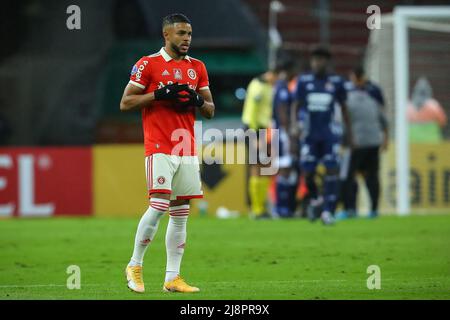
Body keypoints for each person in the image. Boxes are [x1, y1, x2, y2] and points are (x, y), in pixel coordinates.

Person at [119, 13, 215, 294]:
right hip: (159, 144)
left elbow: (210, 110)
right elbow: (126, 102)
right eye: (181, 33)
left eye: (189, 34)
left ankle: (172, 277)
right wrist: (159, 95)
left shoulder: (197, 67)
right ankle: (134, 265)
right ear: (167, 35)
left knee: (181, 212)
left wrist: (197, 99)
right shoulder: (147, 64)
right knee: (159, 205)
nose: (186, 39)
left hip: (185, 146)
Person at [292, 47, 352, 225]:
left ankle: (328, 211)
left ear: (327, 62)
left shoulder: (336, 82)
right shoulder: (304, 81)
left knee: (332, 169)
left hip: (329, 135)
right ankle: (316, 199)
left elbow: (344, 107)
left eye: (321, 59)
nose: (317, 63)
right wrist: (295, 125)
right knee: (308, 172)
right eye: (315, 59)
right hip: (309, 135)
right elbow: (296, 104)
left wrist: (348, 131)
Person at [339, 66, 388, 219]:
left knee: (348, 177)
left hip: (356, 143)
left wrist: (344, 141)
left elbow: (343, 122)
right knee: (372, 176)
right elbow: (385, 121)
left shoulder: (347, 101)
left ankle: (350, 209)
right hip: (374, 142)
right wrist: (385, 139)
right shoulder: (373, 99)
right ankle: (373, 210)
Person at [241, 67, 280, 219]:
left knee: (265, 167)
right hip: (253, 130)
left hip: (265, 129)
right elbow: (251, 113)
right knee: (256, 166)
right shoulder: (257, 86)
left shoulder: (269, 87)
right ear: (271, 74)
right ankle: (255, 209)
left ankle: (262, 208)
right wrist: (254, 136)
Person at [272, 59, 298, 218]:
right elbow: (282, 112)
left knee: (286, 168)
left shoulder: (281, 86)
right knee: (284, 168)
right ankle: (281, 208)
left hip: (281, 132)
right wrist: (289, 132)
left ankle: (285, 207)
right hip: (282, 132)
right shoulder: (282, 87)